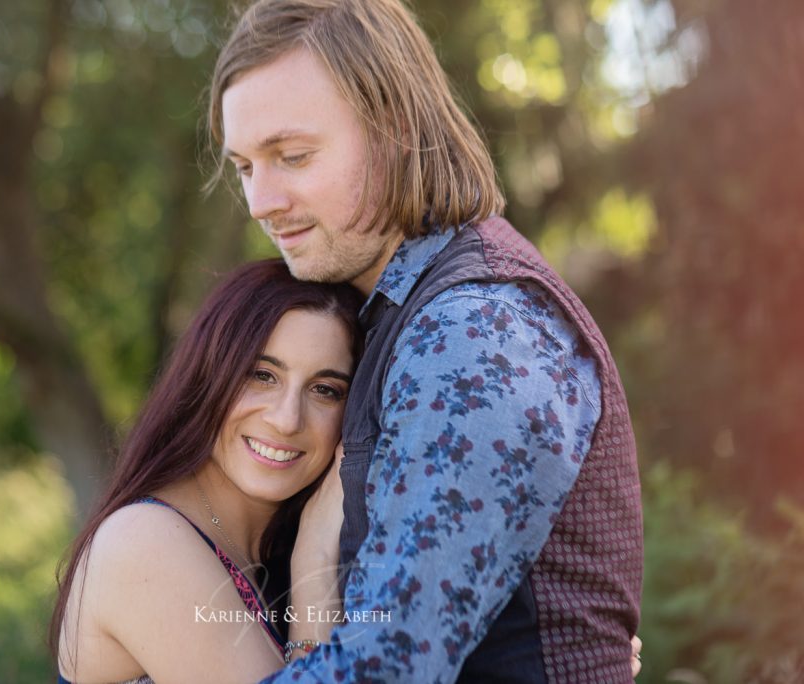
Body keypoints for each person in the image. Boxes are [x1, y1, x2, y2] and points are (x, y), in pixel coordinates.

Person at [208, 0, 643, 681]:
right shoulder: (386, 314)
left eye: (292, 156)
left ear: (396, 132)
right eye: (244, 167)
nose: (262, 201)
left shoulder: (476, 330)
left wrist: (316, 573)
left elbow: (390, 664)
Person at [51, 259, 365, 683]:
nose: (287, 420)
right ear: (209, 376)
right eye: (262, 375)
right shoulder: (144, 543)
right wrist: (314, 560)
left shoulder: (271, 548)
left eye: (325, 390)